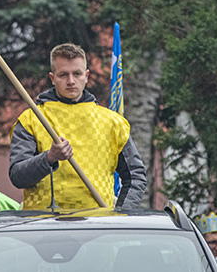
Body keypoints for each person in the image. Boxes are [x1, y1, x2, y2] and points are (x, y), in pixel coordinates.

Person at [9, 43, 146, 210]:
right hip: (43, 226)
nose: (71, 81)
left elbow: (135, 176)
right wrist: (49, 157)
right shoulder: (31, 120)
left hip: (98, 226)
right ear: (52, 78)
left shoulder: (113, 122)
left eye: (77, 74)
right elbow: (18, 177)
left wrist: (122, 216)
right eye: (63, 75)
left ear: (86, 75)